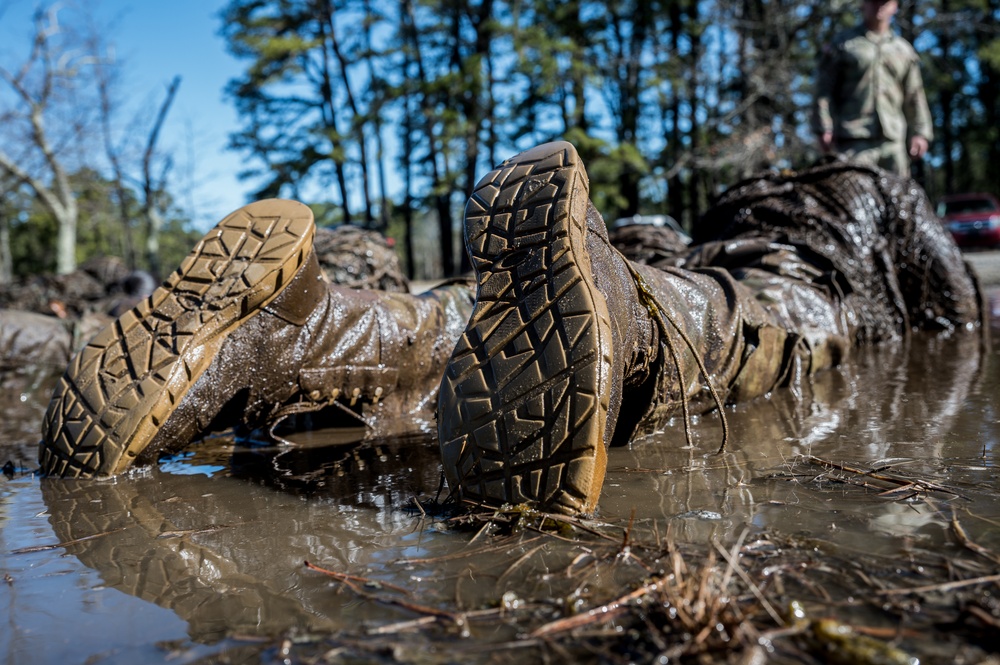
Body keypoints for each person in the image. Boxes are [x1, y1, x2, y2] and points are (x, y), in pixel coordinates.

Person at [39, 142, 981, 517]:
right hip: (780, 276)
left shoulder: (742, 195)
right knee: (744, 319)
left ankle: (298, 329)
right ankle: (625, 312)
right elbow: (948, 303)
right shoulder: (869, 186)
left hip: (676, 243)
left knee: (466, 319)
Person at [813, 0, 934, 177]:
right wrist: (824, 127)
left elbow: (914, 95)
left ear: (895, 6)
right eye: (873, 1)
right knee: (854, 199)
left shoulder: (903, 50)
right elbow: (824, 90)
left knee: (897, 200)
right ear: (863, 4)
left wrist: (920, 133)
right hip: (853, 139)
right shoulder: (844, 44)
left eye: (885, 1)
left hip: (892, 141)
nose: (879, 6)